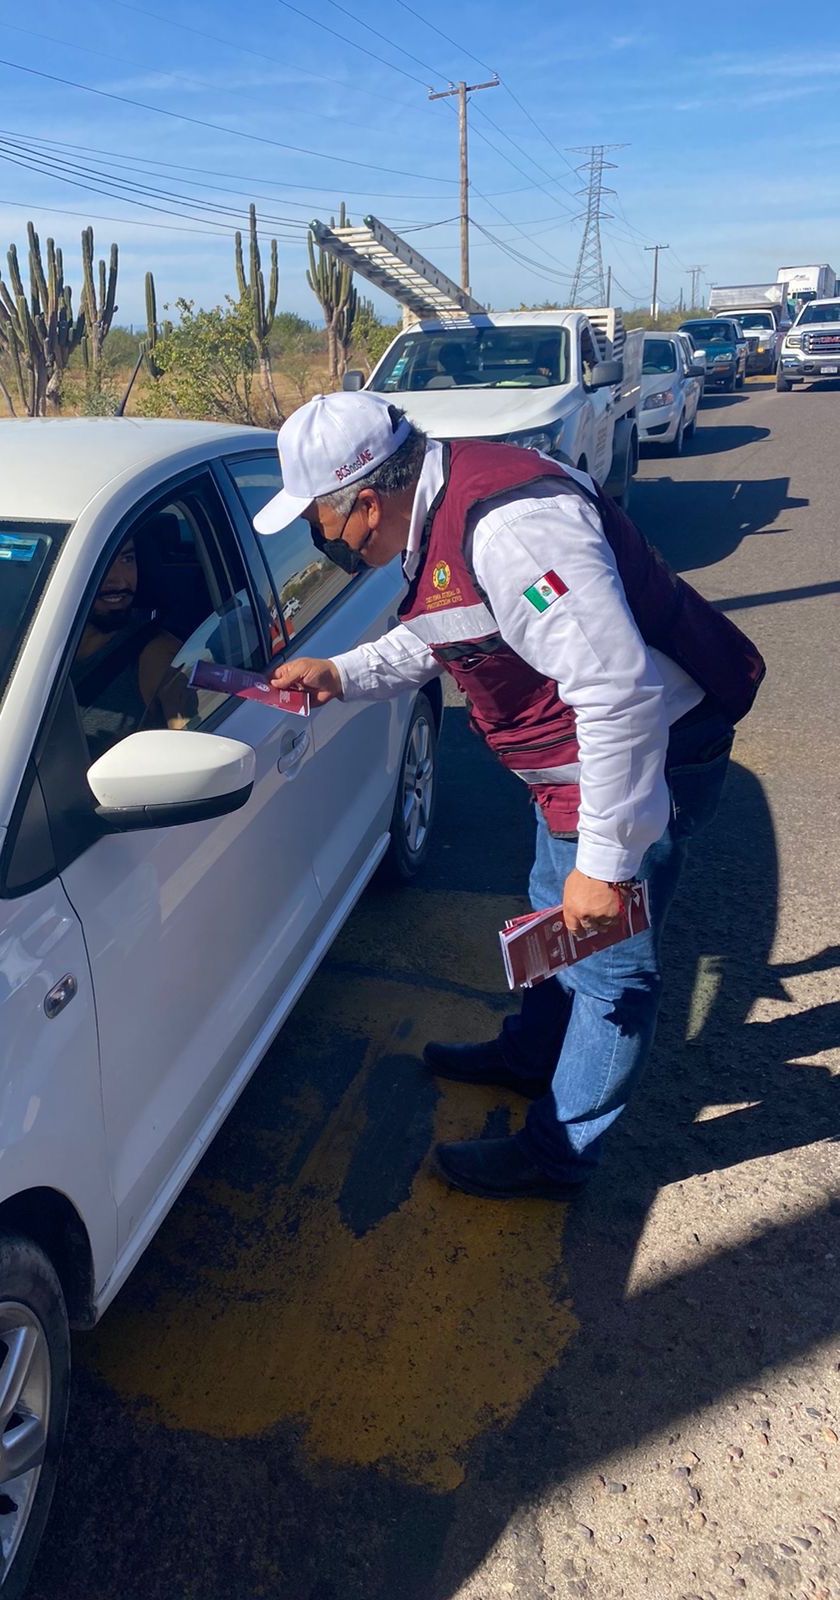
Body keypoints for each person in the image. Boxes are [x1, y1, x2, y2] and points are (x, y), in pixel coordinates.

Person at [258, 392, 765, 1202]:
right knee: (547, 907)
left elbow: (618, 692)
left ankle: (559, 1152)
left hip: (642, 767)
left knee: (609, 973)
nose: (321, 543)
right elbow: (441, 630)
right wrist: (343, 674)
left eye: (319, 523)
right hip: (569, 775)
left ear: (365, 502)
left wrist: (605, 863)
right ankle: (533, 1055)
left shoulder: (512, 530)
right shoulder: (440, 515)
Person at [72, 536, 192, 761]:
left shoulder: (158, 656)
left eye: (127, 559)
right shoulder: (13, 642)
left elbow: (198, 752)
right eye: (102, 562)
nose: (119, 581)